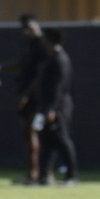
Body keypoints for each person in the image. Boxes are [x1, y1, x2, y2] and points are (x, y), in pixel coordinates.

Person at [0, 13, 48, 185]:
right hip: (26, 93)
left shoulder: (43, 45)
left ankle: (38, 173)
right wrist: (1, 68)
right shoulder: (28, 44)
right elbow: (23, 63)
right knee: (26, 133)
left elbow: (41, 75)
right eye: (24, 28)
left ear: (37, 24)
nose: (27, 31)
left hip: (37, 96)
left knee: (33, 132)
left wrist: (26, 95)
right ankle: (32, 173)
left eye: (30, 27)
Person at [35, 28, 79, 186]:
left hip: (59, 106)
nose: (42, 42)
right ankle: (44, 176)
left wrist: (52, 108)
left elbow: (58, 87)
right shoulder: (51, 58)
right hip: (47, 104)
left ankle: (72, 176)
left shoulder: (61, 59)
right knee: (47, 140)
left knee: (62, 138)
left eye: (45, 38)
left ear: (50, 39)